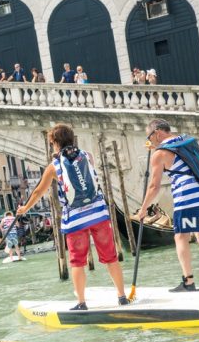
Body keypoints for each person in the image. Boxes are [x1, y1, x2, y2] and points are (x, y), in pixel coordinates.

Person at [16, 123, 128, 310]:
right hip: (98, 214)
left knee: (77, 262)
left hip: (75, 221)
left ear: (55, 143)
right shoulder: (87, 156)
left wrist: (25, 208)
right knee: (111, 257)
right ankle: (122, 297)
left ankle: (81, 303)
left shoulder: (54, 166)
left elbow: (38, 192)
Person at [138, 119, 199, 291]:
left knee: (180, 237)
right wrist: (156, 149)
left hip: (187, 199)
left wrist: (143, 209)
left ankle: (188, 282)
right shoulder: (186, 140)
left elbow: (154, 186)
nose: (149, 140)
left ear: (157, 133)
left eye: (149, 137)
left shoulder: (159, 154)